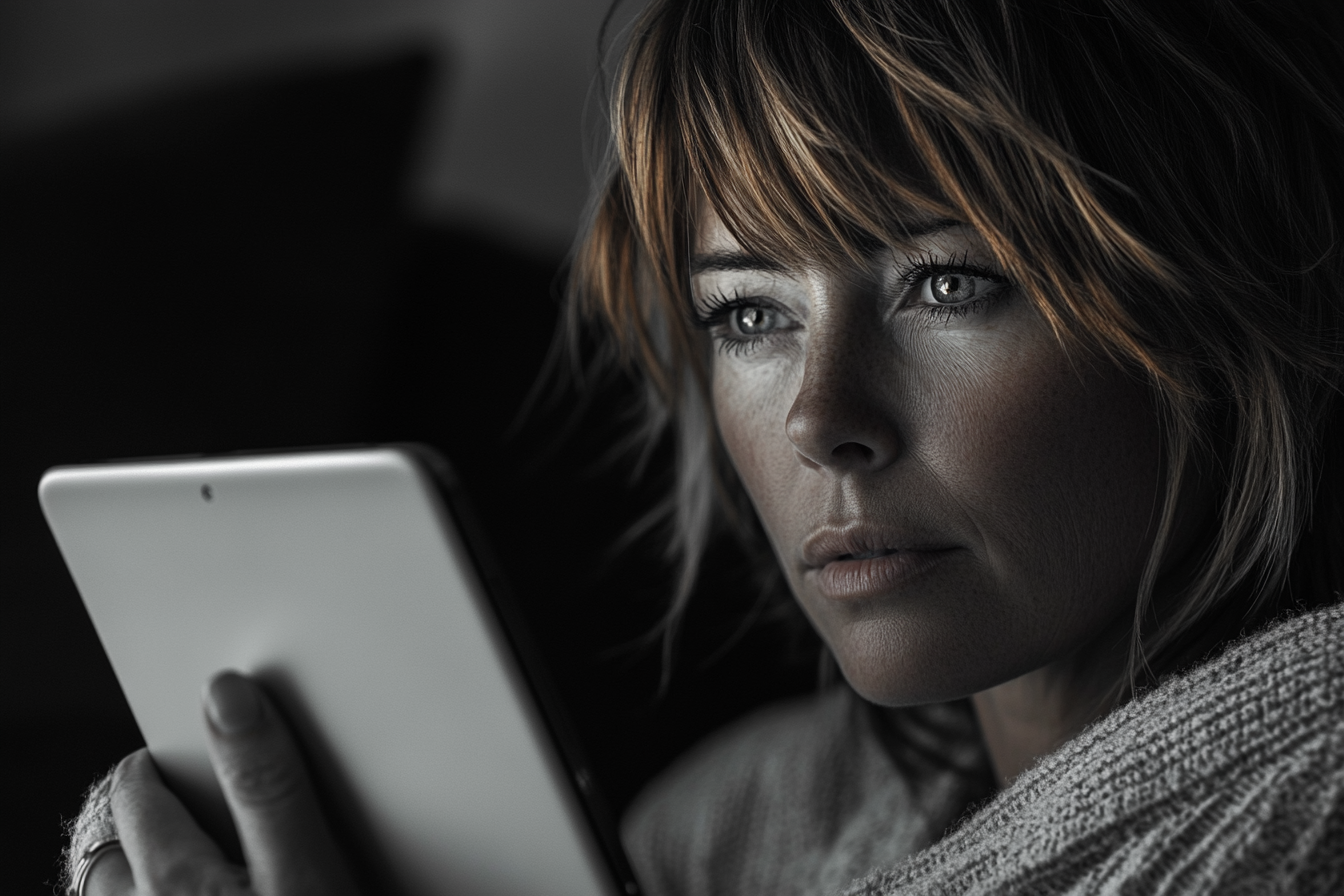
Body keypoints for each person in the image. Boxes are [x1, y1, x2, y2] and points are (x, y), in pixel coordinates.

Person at [66, 0, 1344, 893]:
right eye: (749, 313)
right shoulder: (725, 823)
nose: (817, 414)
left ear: (1224, 306)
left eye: (949, 285)